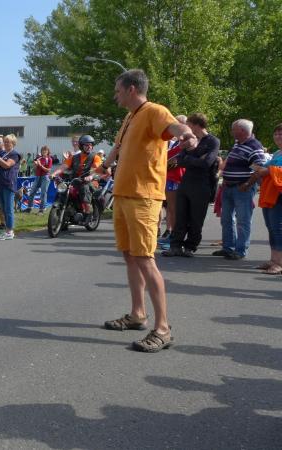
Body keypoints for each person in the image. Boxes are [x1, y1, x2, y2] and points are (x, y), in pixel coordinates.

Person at [97, 69, 198, 353]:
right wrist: (103, 168)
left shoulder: (155, 111)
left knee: (144, 259)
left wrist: (188, 135)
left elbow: (175, 127)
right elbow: (117, 147)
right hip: (123, 194)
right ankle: (137, 314)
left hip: (143, 196)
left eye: (118, 90)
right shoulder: (130, 117)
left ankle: (163, 328)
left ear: (131, 89)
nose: (115, 95)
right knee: (130, 256)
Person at [162, 113, 220, 257]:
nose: (187, 128)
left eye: (188, 125)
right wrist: (197, 158)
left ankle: (190, 247)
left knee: (196, 218)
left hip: (202, 184)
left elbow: (207, 163)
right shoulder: (188, 139)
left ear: (196, 125)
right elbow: (180, 161)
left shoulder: (212, 141)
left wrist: (190, 158)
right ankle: (175, 246)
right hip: (186, 182)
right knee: (180, 216)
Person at [213, 119, 266, 260]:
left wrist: (248, 184)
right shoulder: (238, 144)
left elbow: (259, 168)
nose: (232, 132)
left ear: (242, 130)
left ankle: (240, 250)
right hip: (229, 186)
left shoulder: (254, 146)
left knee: (243, 220)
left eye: (233, 129)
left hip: (242, 188)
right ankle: (228, 247)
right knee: (226, 219)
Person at [247, 123, 282, 274]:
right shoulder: (277, 153)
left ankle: (279, 263)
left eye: (281, 133)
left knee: (278, 229)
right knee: (271, 227)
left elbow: (271, 170)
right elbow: (266, 168)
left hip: (279, 195)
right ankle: (273, 259)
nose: (278, 136)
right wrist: (259, 169)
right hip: (270, 193)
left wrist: (267, 171)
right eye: (276, 133)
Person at [52, 135, 102, 215]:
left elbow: (96, 169)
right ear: (81, 146)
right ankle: (64, 205)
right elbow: (63, 167)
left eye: (91, 145)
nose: (89, 147)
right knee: (64, 188)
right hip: (76, 181)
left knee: (85, 187)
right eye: (87, 145)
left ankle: (88, 209)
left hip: (91, 181)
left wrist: (90, 176)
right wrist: (54, 174)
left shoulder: (95, 157)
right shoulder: (74, 157)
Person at [160, 114, 189, 240]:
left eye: (177, 124)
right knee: (169, 207)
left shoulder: (185, 141)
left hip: (177, 177)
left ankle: (175, 234)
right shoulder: (174, 142)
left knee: (174, 208)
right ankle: (170, 230)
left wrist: (166, 162)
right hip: (168, 176)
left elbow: (174, 159)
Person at [0, 134, 20, 240]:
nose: (6, 143)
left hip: (8, 183)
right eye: (5, 142)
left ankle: (10, 230)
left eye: (8, 142)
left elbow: (7, 165)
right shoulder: (3, 153)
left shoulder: (14, 154)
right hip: (0, 183)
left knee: (8, 208)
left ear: (13, 143)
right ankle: (7, 229)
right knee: (2, 208)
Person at [26, 145, 53, 214]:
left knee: (43, 193)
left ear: (48, 151)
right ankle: (29, 207)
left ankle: (42, 209)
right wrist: (35, 165)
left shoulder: (49, 159)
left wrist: (40, 165)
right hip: (37, 177)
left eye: (45, 150)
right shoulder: (39, 158)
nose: (44, 151)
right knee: (32, 192)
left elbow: (48, 170)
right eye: (43, 150)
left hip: (45, 177)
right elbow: (35, 170)